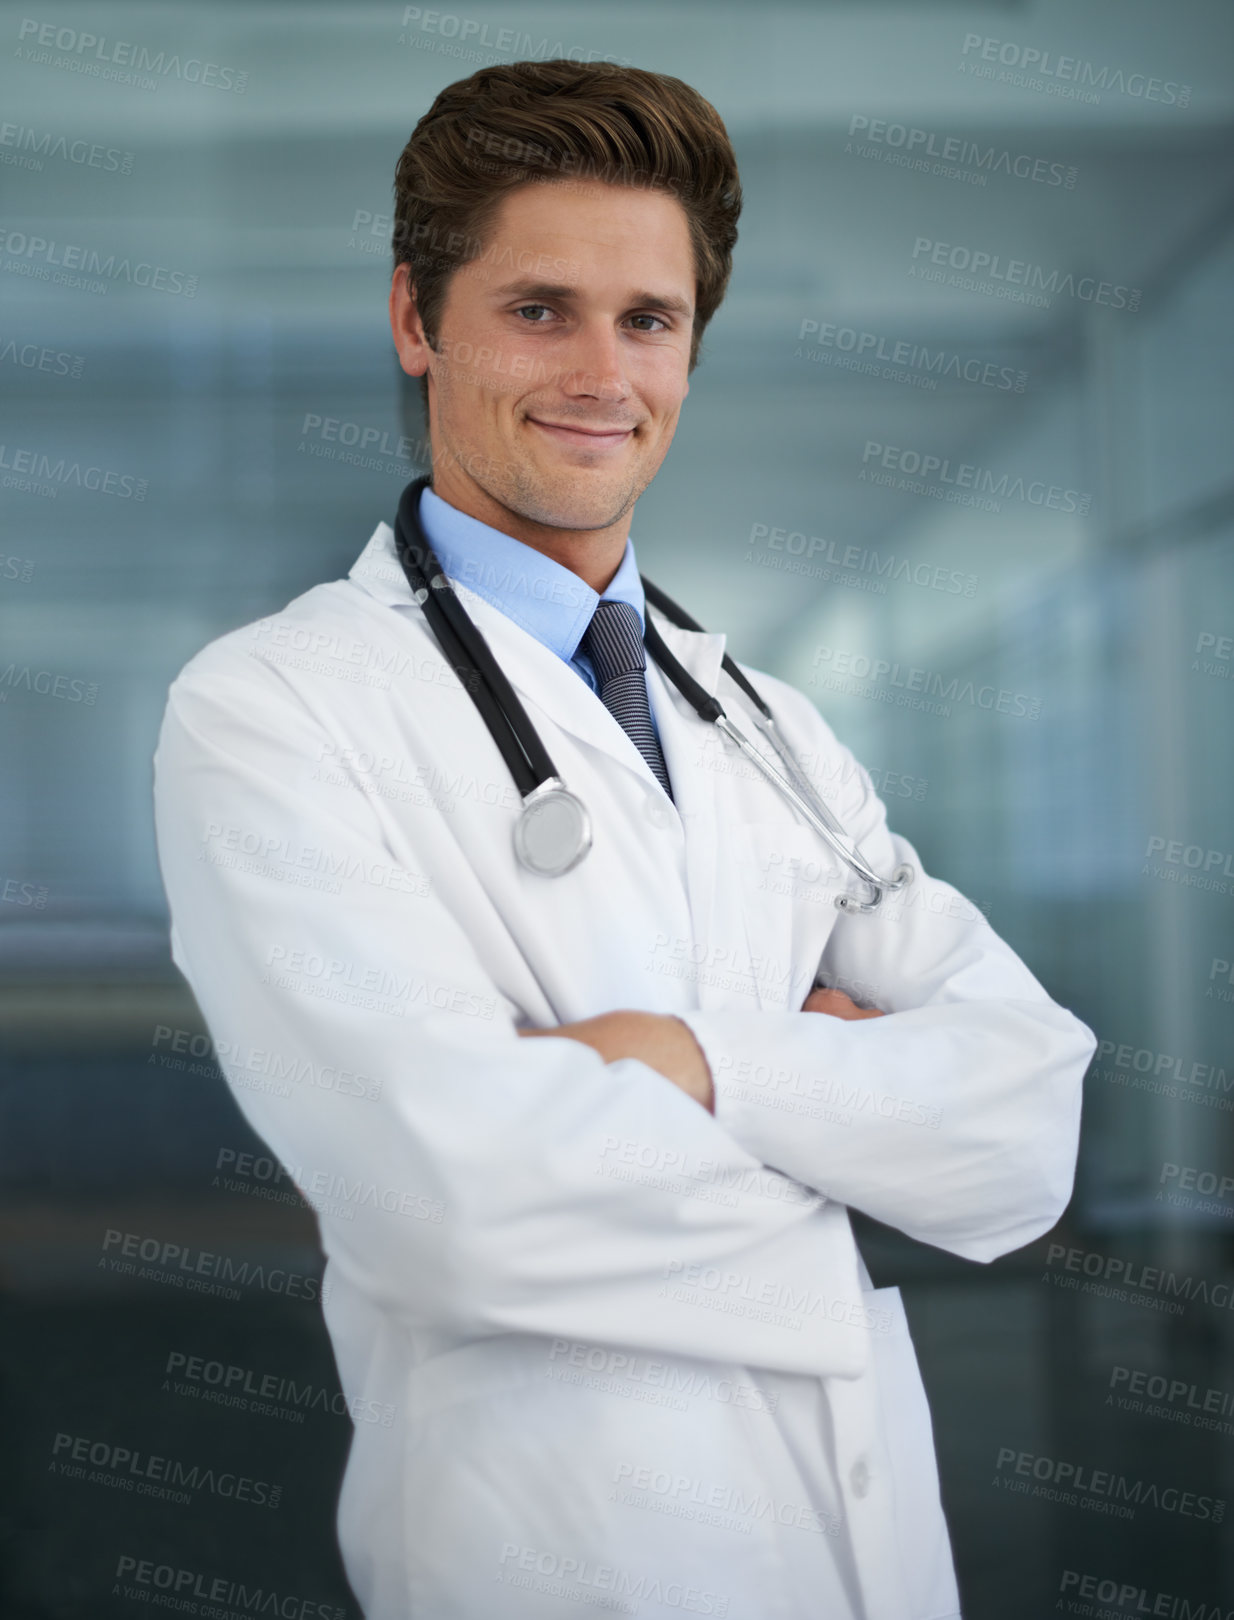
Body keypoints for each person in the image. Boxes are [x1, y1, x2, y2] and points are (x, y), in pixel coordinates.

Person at [152, 59, 1095, 1620]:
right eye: (538, 309)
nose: (603, 370)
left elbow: (1027, 1131)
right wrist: (854, 1143)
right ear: (416, 318)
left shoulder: (766, 721)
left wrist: (685, 1061)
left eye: (648, 320)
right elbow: (449, 1202)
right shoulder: (274, 707)